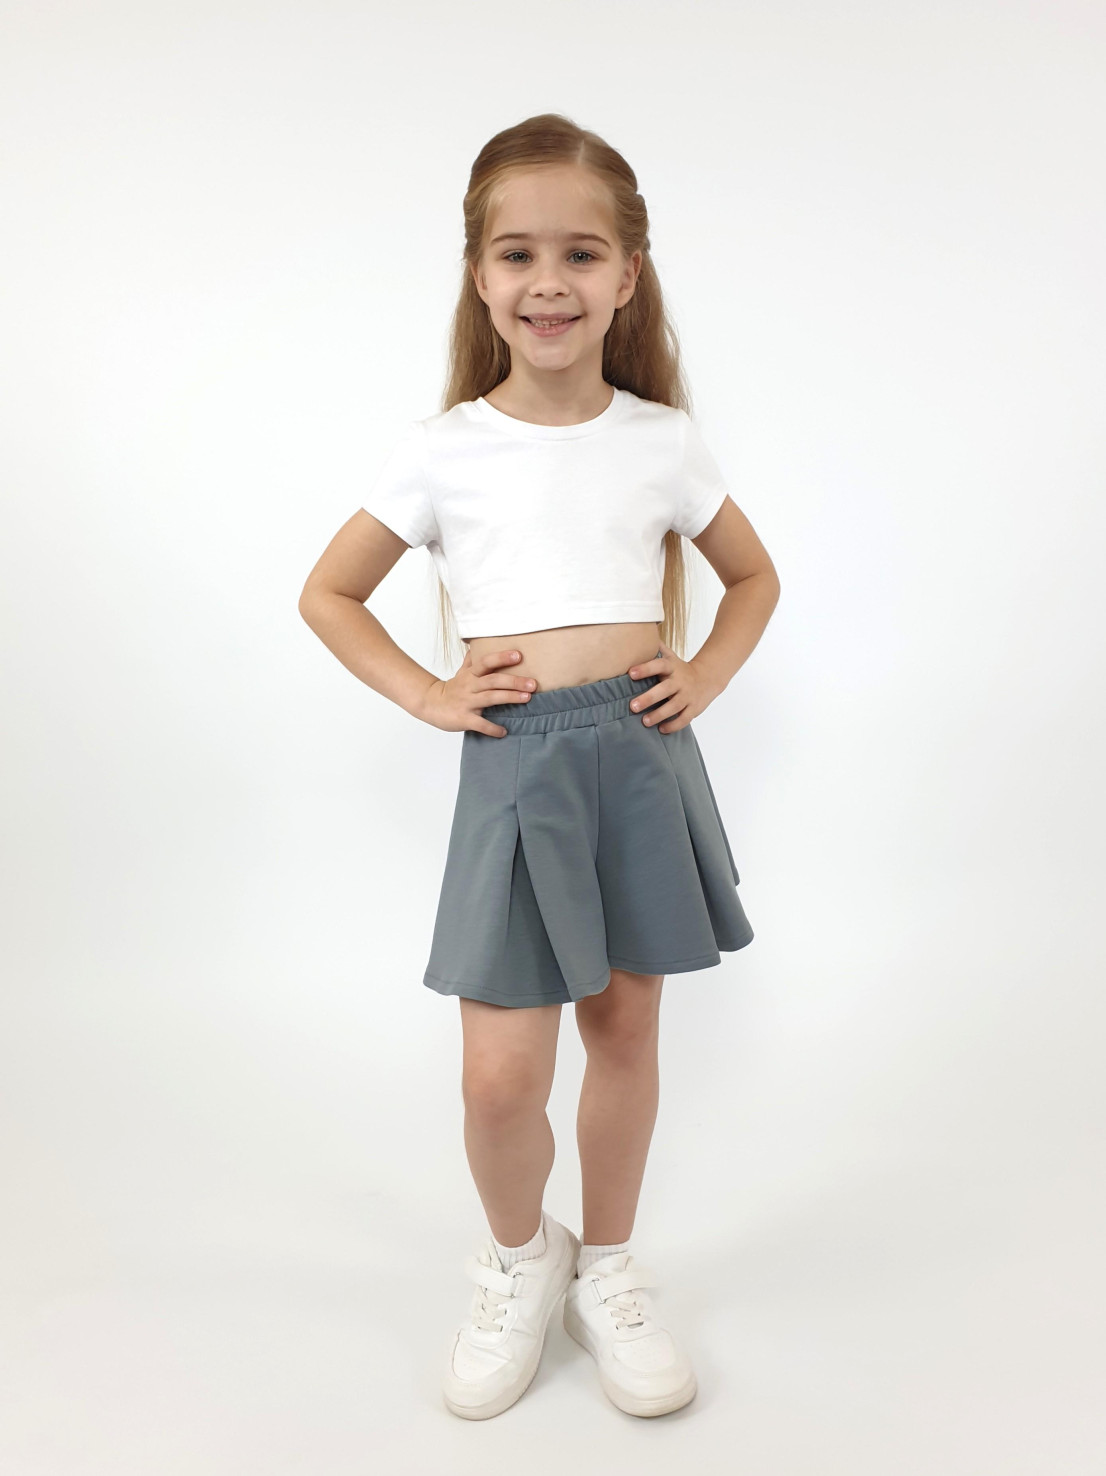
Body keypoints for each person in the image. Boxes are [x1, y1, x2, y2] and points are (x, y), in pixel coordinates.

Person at [298, 112, 780, 1422]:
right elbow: (330, 593)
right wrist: (427, 692)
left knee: (622, 1031)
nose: (548, 281)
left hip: (639, 757)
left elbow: (751, 577)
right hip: (515, 769)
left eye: (580, 253)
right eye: (517, 254)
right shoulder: (442, 449)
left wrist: (705, 672)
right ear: (478, 273)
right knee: (500, 1076)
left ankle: (607, 1266)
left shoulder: (662, 439)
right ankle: (522, 1258)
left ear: (627, 274)